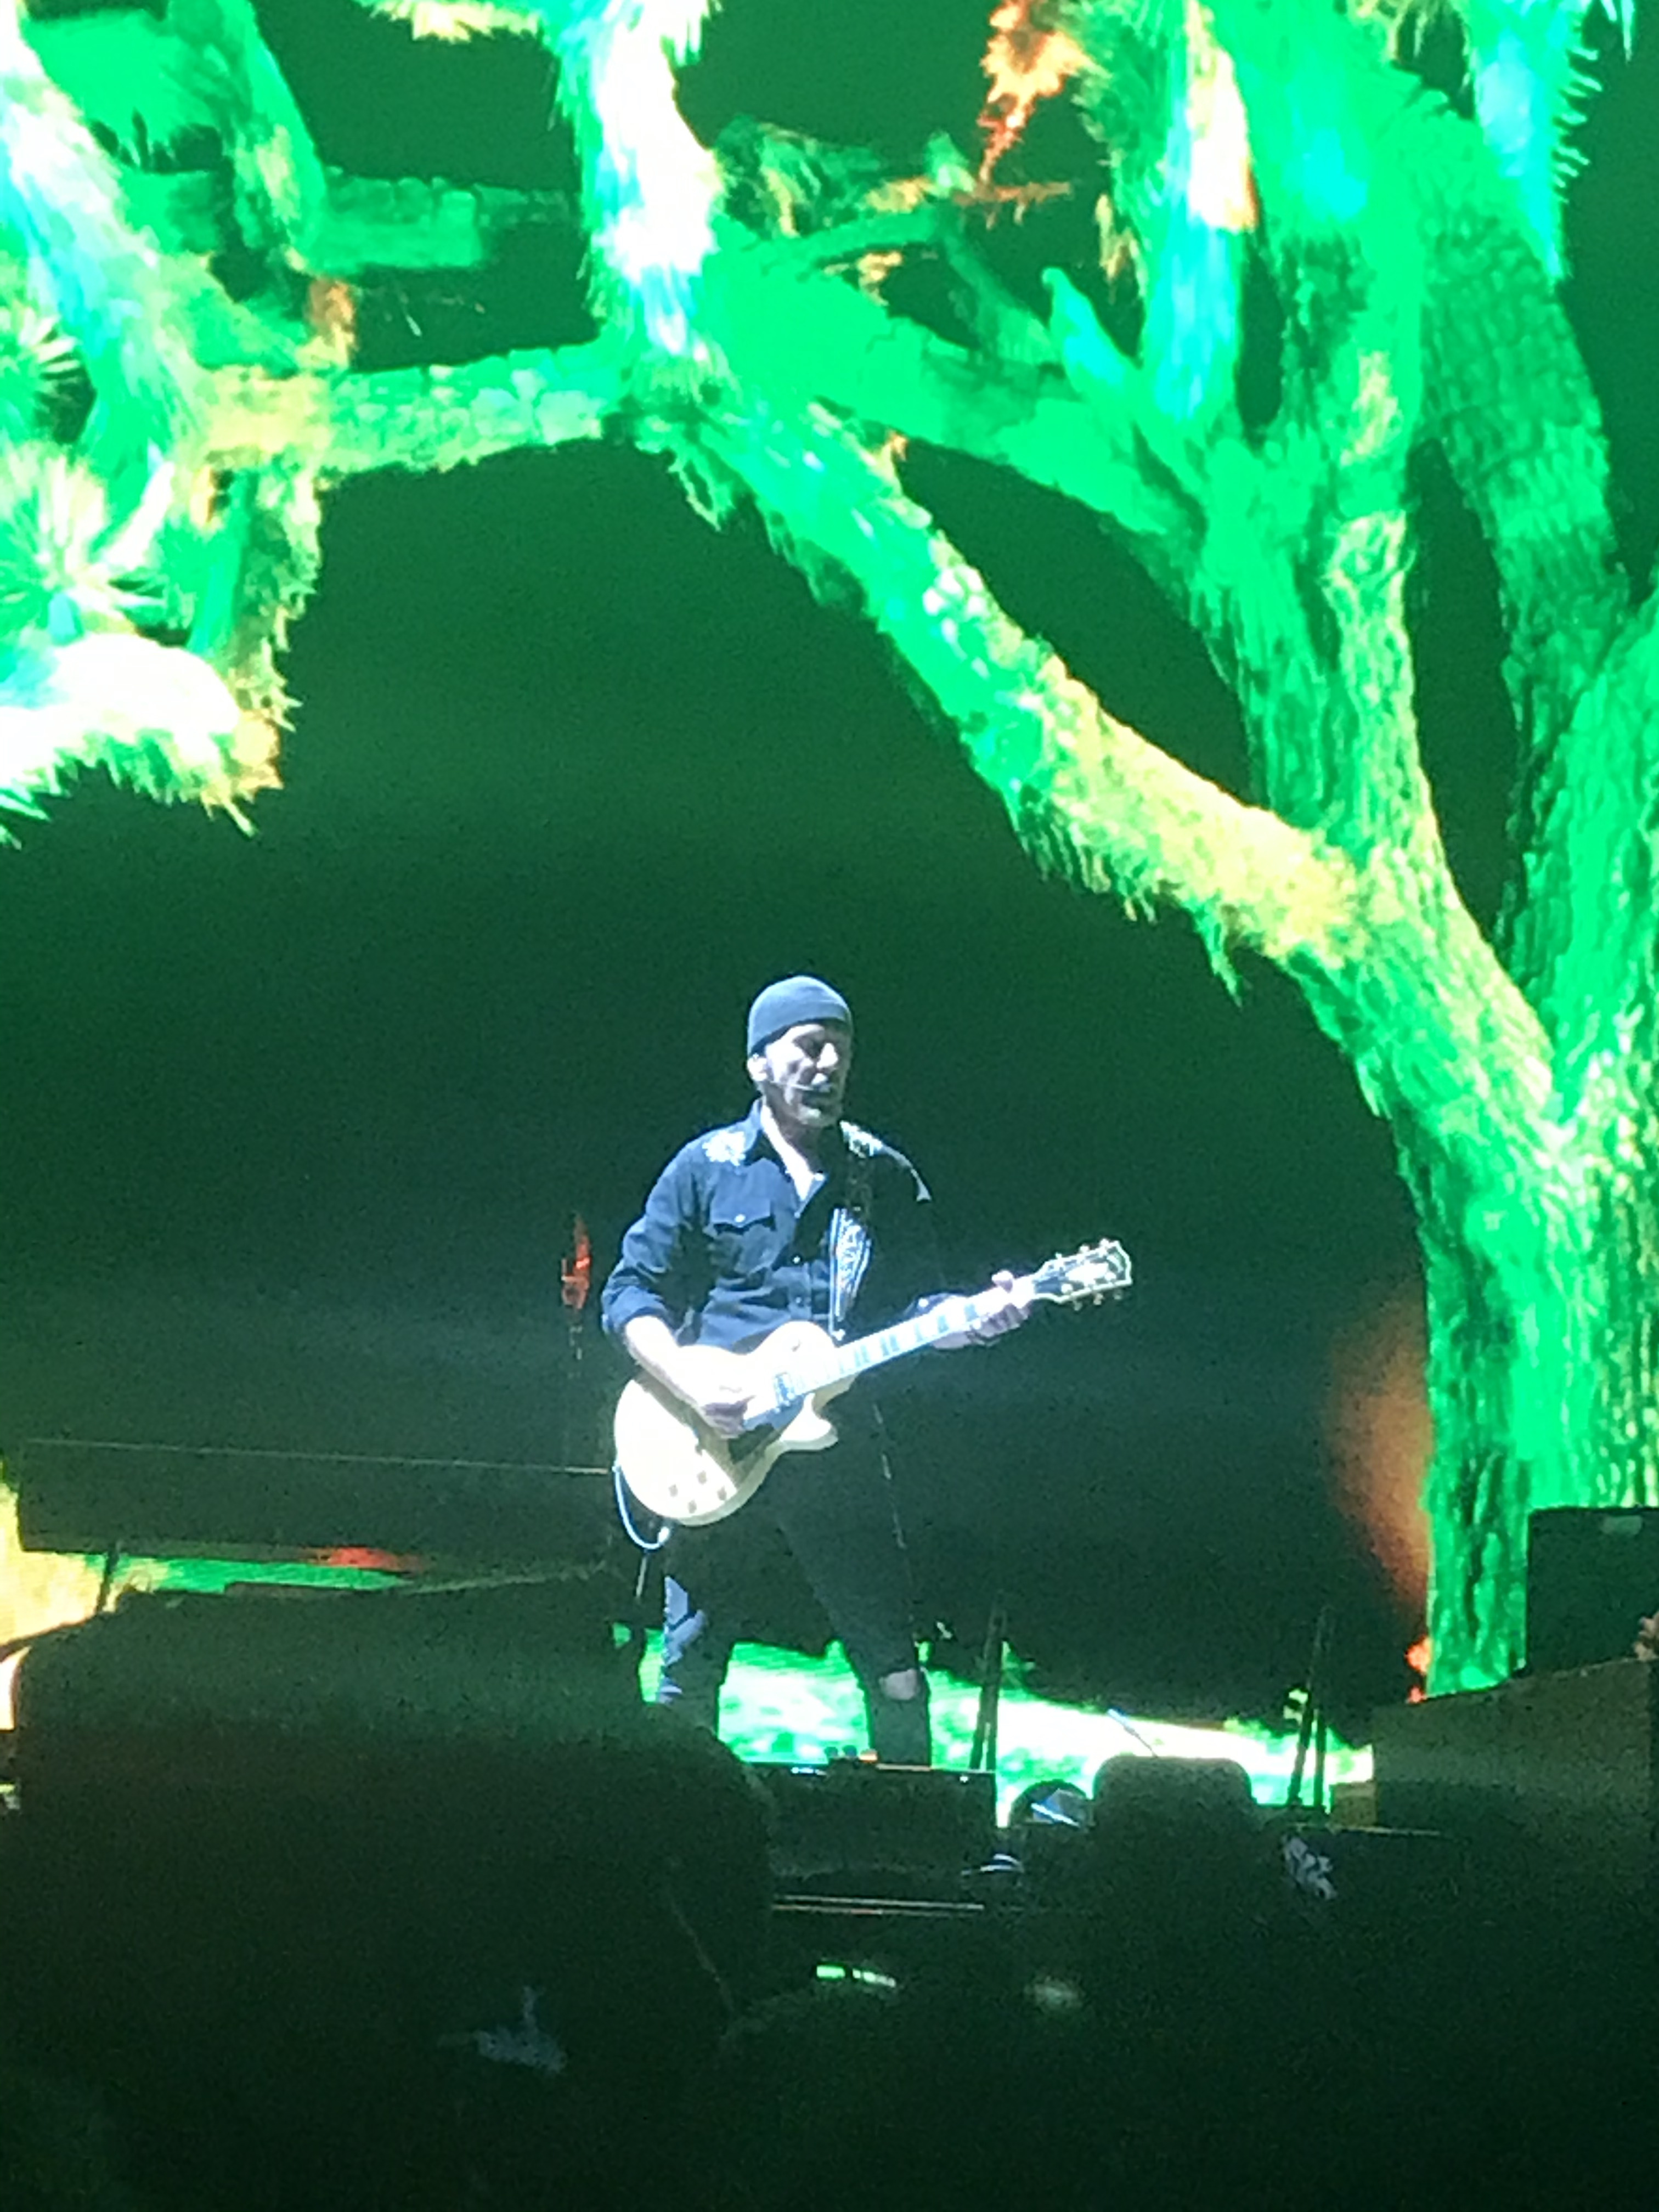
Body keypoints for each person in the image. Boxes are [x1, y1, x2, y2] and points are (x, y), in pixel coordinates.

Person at [601, 975, 1030, 1763]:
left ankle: (908, 1821)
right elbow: (630, 1292)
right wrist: (689, 1380)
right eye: (809, 1046)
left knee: (893, 1665)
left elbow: (919, 1307)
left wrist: (975, 1322)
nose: (828, 1064)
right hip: (710, 1442)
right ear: (759, 1063)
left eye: (841, 1050)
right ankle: (673, 1811)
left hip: (839, 1448)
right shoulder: (706, 1166)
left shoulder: (882, 1175)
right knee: (690, 1662)